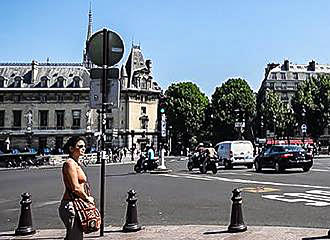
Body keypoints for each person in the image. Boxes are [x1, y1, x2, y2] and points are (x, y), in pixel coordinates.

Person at [58, 136, 95, 240]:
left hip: (76, 203)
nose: (84, 148)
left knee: (74, 237)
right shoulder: (69, 164)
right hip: (71, 205)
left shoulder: (76, 163)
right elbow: (75, 187)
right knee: (75, 237)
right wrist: (87, 198)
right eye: (80, 146)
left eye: (84, 146)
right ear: (71, 148)